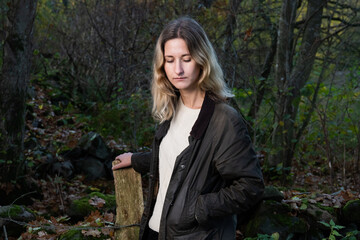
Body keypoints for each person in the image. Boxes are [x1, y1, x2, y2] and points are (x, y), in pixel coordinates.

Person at [112, 16, 264, 240]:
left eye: (186, 58)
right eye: (170, 60)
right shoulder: (171, 109)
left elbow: (251, 187)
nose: (178, 69)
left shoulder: (224, 120)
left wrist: (198, 207)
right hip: (155, 231)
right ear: (162, 65)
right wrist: (137, 160)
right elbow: (184, 160)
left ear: (202, 60)